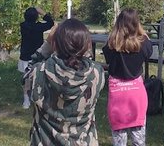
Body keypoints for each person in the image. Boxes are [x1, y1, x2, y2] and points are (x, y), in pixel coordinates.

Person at [28, 18, 105, 146]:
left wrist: (47, 45)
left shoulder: (40, 71)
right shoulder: (97, 74)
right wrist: (81, 44)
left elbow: (27, 72)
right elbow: (86, 60)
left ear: (55, 44)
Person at [103, 8, 153, 146]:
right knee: (138, 135)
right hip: (136, 91)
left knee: (119, 135)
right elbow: (148, 52)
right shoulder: (144, 43)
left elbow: (107, 59)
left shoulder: (111, 44)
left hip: (117, 92)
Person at [18, 6, 54, 108]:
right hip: (37, 56)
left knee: (26, 79)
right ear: (36, 17)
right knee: (40, 78)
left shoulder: (23, 26)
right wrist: (43, 12)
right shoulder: (39, 27)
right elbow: (51, 23)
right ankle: (39, 98)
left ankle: (26, 100)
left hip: (25, 56)